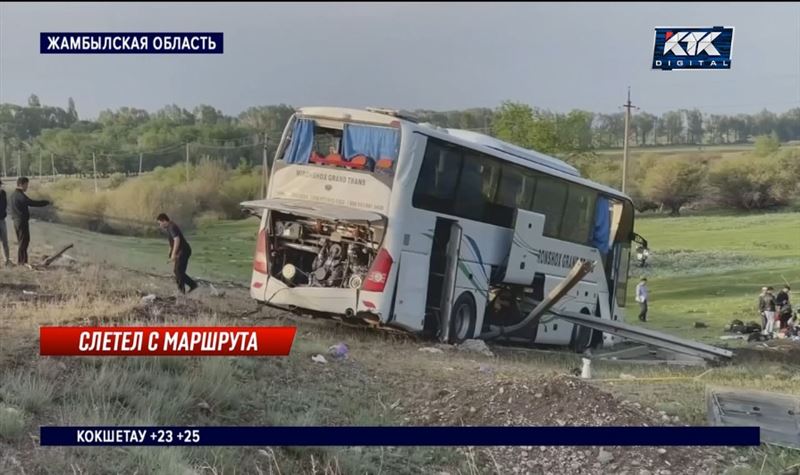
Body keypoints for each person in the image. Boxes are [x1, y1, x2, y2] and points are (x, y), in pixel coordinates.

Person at [10, 177, 51, 267]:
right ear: (21, 184)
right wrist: (45, 202)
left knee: (23, 241)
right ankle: (21, 262)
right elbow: (32, 203)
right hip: (21, 222)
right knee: (24, 241)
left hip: (16, 221)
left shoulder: (13, 195)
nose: (27, 187)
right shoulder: (20, 195)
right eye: (26, 185)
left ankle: (23, 261)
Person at [157, 213, 198, 295]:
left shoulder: (172, 227)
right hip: (182, 251)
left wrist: (173, 254)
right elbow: (172, 241)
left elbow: (177, 240)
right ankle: (185, 290)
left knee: (178, 271)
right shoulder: (169, 227)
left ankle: (187, 289)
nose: (160, 225)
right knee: (178, 272)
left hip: (184, 251)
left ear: (164, 221)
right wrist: (170, 252)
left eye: (159, 223)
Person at [0, 179, 11, 266]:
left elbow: (5, 205)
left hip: (2, 220)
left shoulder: (3, 193)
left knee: (5, 241)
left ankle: (6, 260)